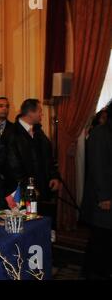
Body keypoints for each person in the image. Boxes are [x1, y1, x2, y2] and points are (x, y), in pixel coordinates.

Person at [5, 99, 61, 226]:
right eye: (40, 111)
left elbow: (48, 157)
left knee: (43, 224)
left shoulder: (38, 132)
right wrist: (29, 187)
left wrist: (53, 175)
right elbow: (13, 165)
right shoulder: (12, 134)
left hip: (43, 187)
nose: (42, 114)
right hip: (23, 191)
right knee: (27, 226)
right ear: (30, 113)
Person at [81, 100, 112, 280]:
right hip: (103, 198)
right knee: (100, 239)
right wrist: (104, 196)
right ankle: (94, 273)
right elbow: (98, 168)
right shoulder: (100, 133)